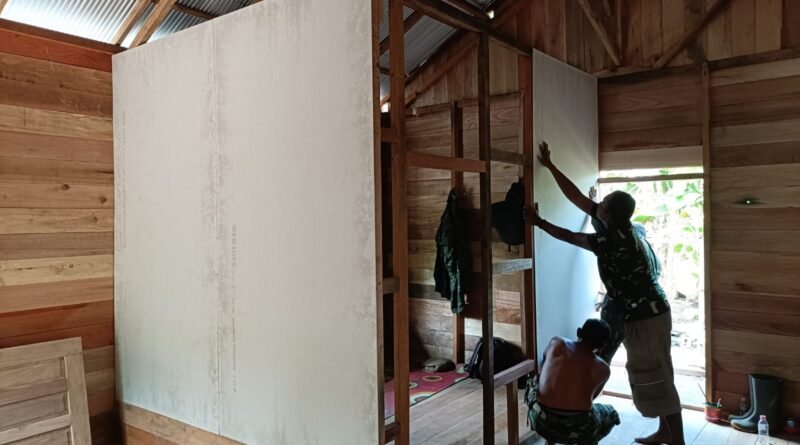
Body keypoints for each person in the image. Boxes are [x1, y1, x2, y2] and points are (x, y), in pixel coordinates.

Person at [526, 142, 685, 445]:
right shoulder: (618, 224)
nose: (597, 203)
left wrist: (538, 222)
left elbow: (570, 236)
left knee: (657, 375)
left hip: (647, 316)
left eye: (602, 203)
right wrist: (551, 165)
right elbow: (577, 198)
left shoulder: (615, 241)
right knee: (638, 370)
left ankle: (675, 438)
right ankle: (663, 430)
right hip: (628, 311)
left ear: (608, 215)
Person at [526, 319, 620, 445]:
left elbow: (543, 366)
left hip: (540, 420)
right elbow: (592, 398)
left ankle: (550, 441)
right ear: (602, 346)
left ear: (579, 332)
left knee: (534, 381)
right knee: (611, 413)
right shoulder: (602, 369)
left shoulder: (556, 343)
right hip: (577, 429)